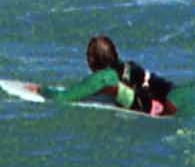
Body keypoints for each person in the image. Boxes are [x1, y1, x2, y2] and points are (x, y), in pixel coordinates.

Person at [27, 35, 177, 116]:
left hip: (163, 109)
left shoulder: (104, 78)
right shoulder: (128, 66)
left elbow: (62, 98)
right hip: (169, 91)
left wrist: (41, 90)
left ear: (92, 60)